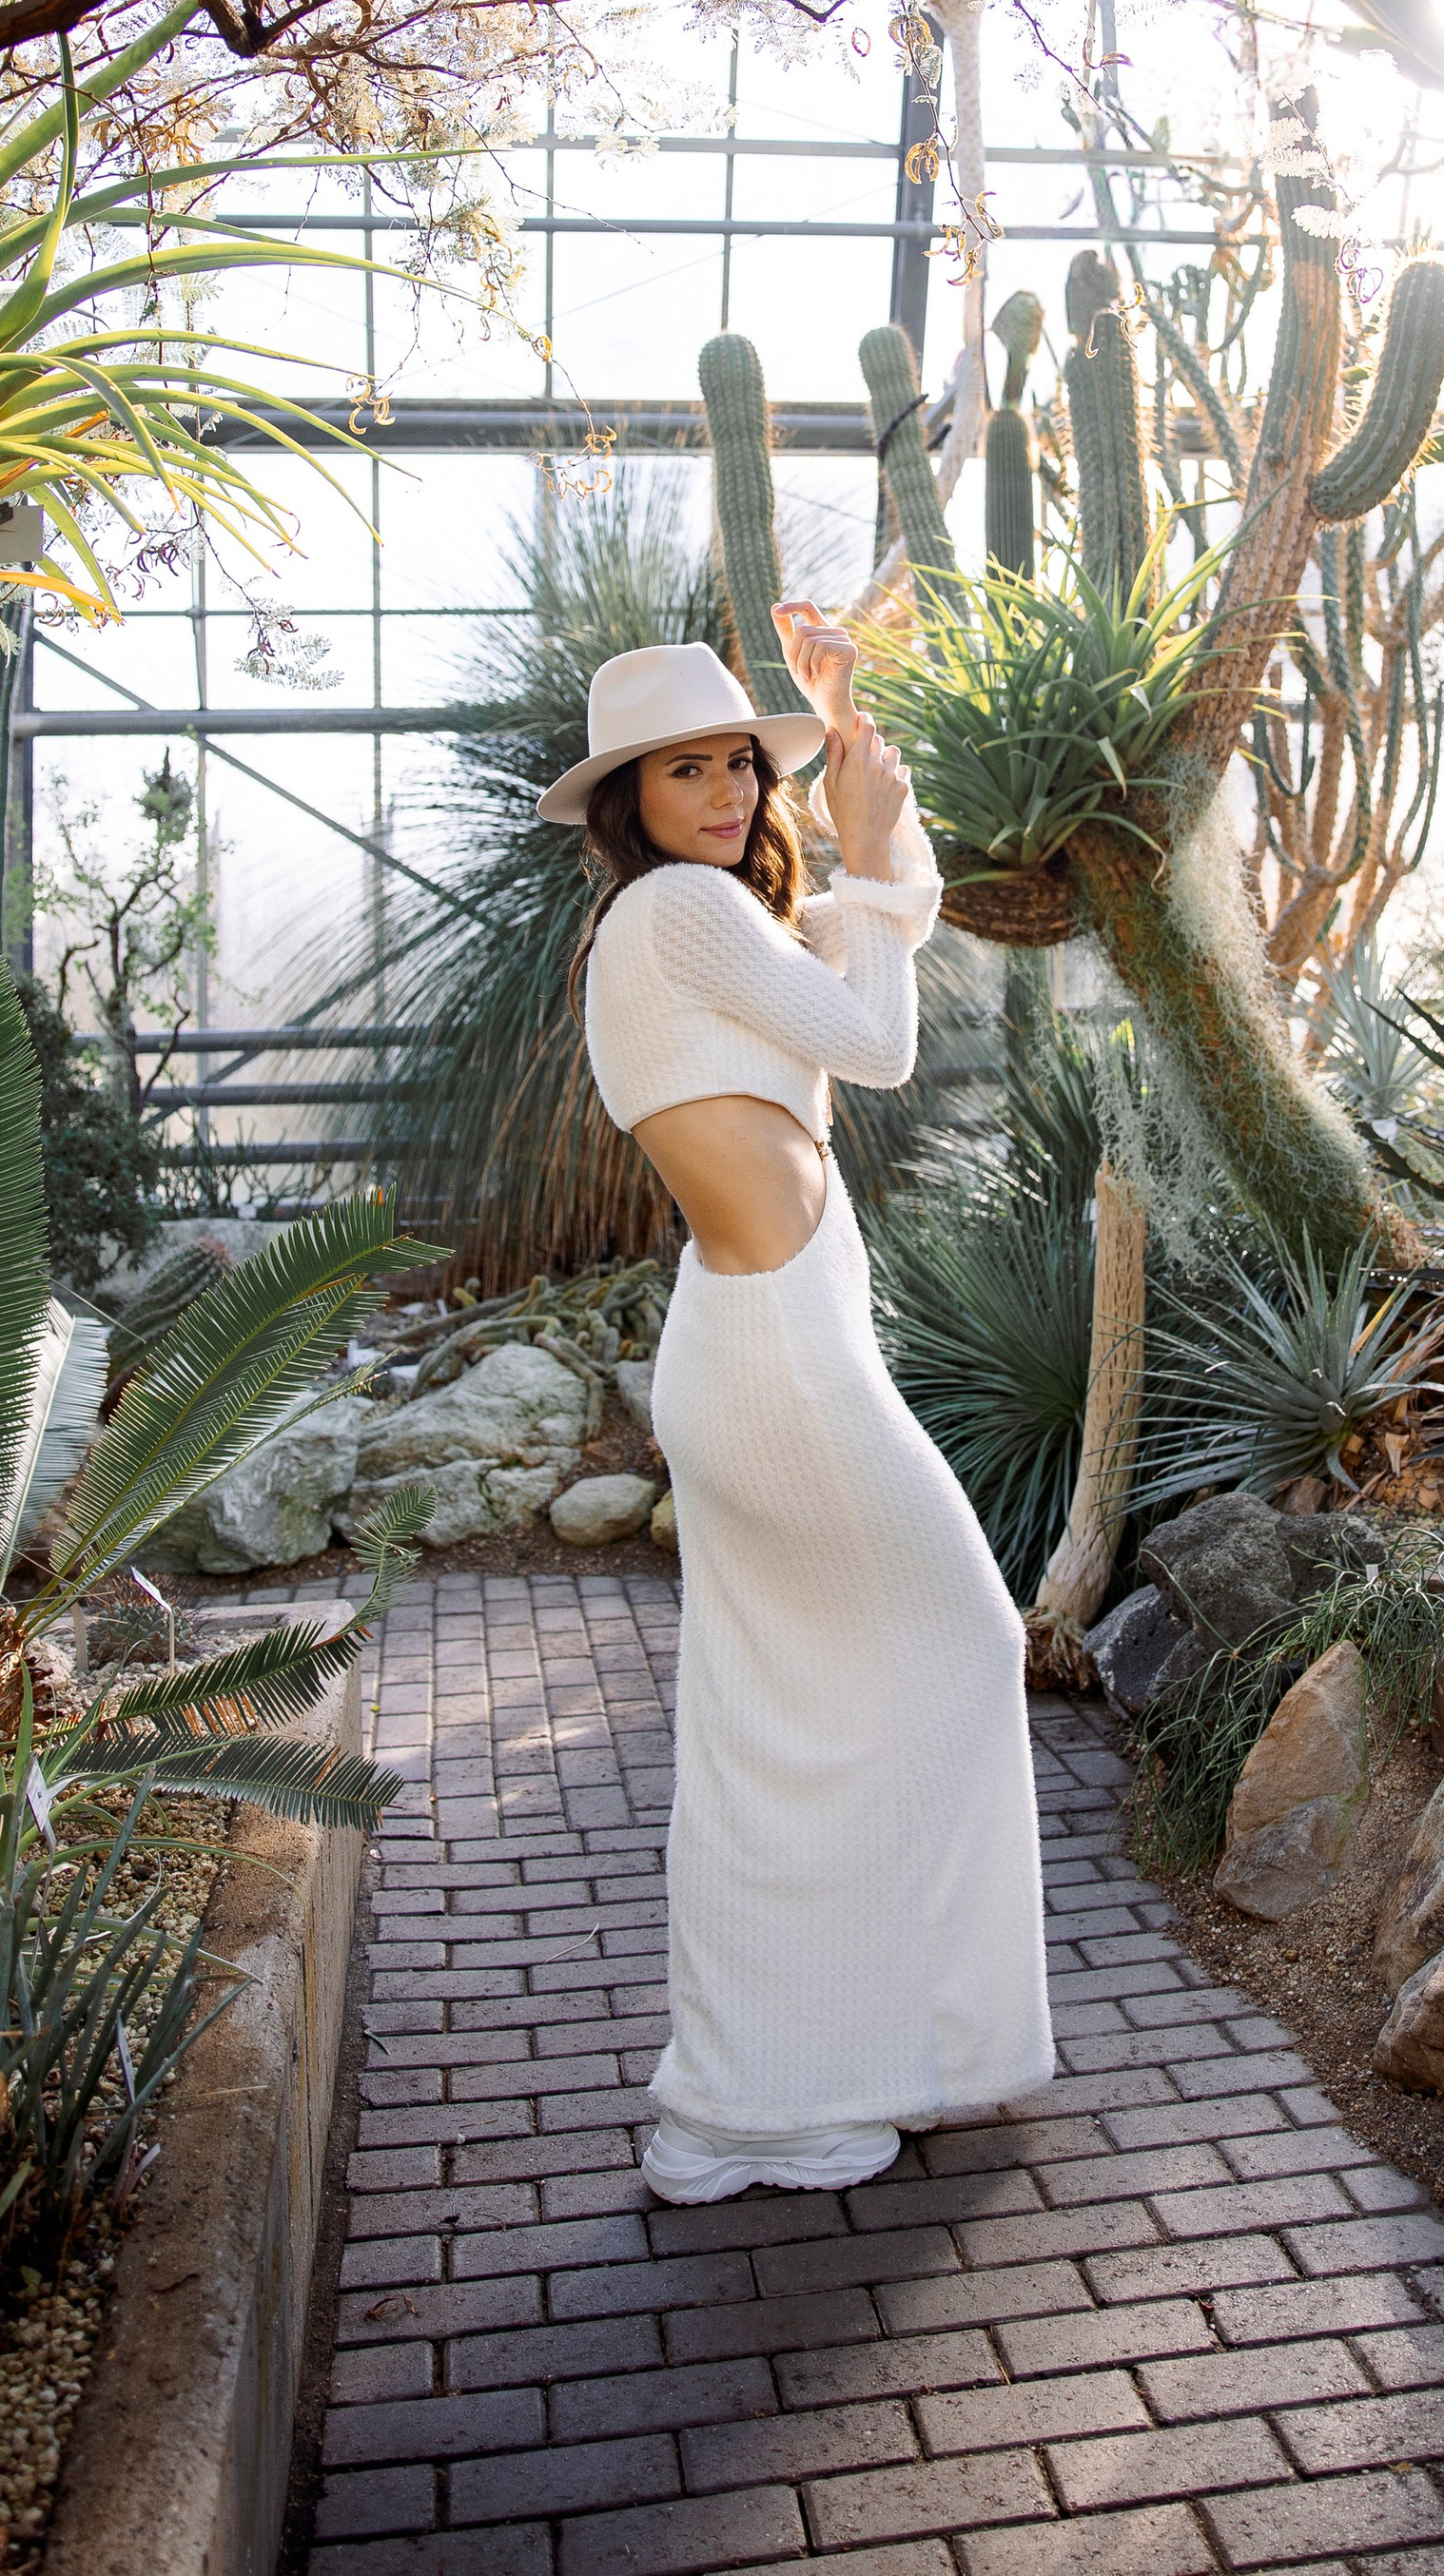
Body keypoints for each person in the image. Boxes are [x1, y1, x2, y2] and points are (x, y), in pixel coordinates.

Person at [539, 606, 1055, 2206]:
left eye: (735, 768)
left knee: (797, 1718)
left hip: (768, 1340)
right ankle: (788, 2081)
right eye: (682, 770)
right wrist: (879, 845)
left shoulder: (706, 925)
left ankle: (819, 2071)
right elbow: (886, 1045)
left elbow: (847, 944)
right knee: (955, 1645)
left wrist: (851, 795)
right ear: (628, 803)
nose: (719, 795)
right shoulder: (680, 912)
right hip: (779, 1364)